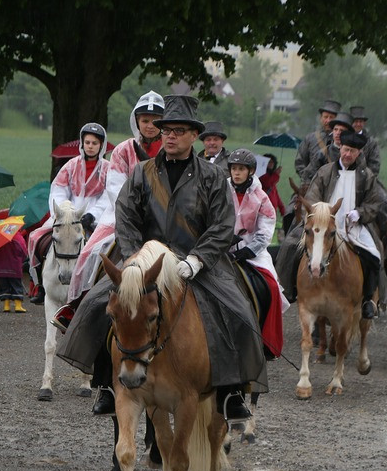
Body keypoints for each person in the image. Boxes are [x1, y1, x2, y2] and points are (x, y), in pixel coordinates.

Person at [57, 94, 265, 422]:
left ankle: (231, 391)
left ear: (194, 135)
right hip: (146, 256)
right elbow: (125, 215)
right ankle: (107, 386)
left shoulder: (212, 177)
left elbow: (223, 225)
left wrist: (197, 259)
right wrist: (134, 257)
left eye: (179, 130)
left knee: (238, 308)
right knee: (99, 302)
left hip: (195, 259)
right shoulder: (141, 173)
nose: (169, 135)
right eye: (166, 129)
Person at [52, 92, 162, 335]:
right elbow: (116, 189)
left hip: (168, 218)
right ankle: (75, 308)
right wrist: (140, 213)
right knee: (90, 253)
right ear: (137, 121)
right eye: (145, 120)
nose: (150, 125)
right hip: (124, 216)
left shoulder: (171, 148)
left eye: (155, 120)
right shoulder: (123, 151)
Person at [27, 122, 110, 304]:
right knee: (35, 237)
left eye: (95, 143)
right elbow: (58, 189)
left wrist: (92, 214)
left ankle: (97, 287)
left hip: (94, 218)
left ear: (101, 145)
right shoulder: (70, 166)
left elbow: (108, 195)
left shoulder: (107, 168)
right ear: (82, 143)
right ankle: (41, 285)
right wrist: (63, 211)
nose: (90, 146)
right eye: (87, 142)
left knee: (104, 248)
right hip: (66, 215)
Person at [306, 131, 386, 319]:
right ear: (339, 148)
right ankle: (289, 289)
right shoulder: (325, 171)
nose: (348, 154)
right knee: (291, 246)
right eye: (345, 149)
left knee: (375, 255)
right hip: (323, 227)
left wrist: (360, 213)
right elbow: (311, 197)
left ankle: (368, 300)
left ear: (359, 153)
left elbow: (375, 202)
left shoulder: (367, 175)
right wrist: (320, 214)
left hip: (354, 228)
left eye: (353, 151)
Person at [226, 148, 287, 356]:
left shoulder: (262, 197)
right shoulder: (221, 190)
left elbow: (266, 229)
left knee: (271, 285)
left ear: (250, 171)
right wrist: (224, 237)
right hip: (221, 246)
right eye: (234, 168)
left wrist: (248, 250)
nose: (236, 173)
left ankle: (267, 341)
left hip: (253, 250)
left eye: (241, 169)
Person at [294, 98, 340, 184]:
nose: (328, 120)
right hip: (312, 185)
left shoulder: (343, 141)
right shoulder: (310, 138)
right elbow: (300, 162)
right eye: (325, 117)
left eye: (331, 117)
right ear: (321, 118)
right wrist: (308, 180)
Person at [0, 231, 28, 313]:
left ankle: (6, 306)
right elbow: (24, 251)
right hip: (14, 267)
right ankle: (18, 306)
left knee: (4, 286)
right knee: (16, 285)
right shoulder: (18, 238)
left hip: (1, 268)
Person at [348, 106, 382, 176]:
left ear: (364, 123)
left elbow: (375, 165)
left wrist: (365, 178)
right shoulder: (343, 138)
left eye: (361, 121)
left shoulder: (371, 142)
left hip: (365, 179)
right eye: (356, 121)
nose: (358, 124)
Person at [257, 153, 285, 220]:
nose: (271, 164)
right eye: (269, 162)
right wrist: (276, 174)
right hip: (262, 212)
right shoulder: (260, 175)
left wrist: (282, 209)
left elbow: (276, 195)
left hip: (270, 212)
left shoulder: (271, 177)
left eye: (272, 162)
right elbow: (267, 183)